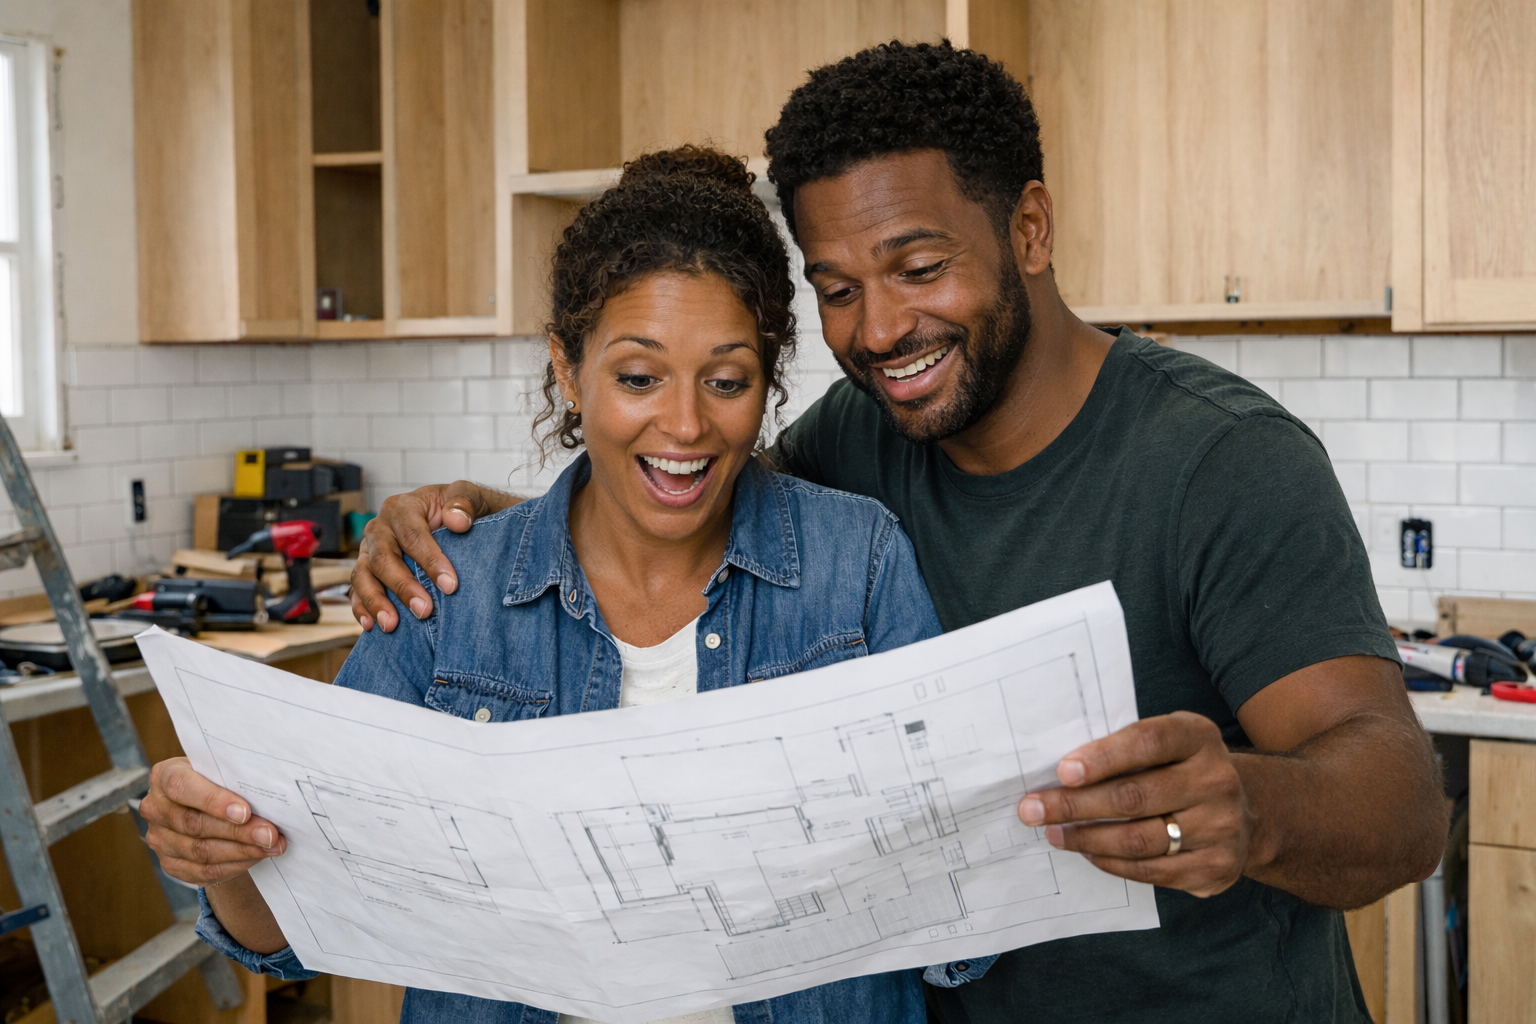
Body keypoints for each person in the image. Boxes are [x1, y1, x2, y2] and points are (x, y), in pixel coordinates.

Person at [352, 41, 1448, 1023]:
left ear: (1029, 228)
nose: (878, 330)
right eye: (837, 289)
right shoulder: (858, 439)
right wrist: (486, 532)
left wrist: (1249, 808)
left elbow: (1401, 803)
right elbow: (676, 494)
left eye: (919, 269)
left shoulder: (1220, 463)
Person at [140, 148, 949, 1024]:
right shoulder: (446, 593)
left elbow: (953, 897)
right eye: (638, 377)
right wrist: (226, 856)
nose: (684, 424)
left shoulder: (856, 564)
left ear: (768, 383)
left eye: (726, 381)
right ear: (568, 370)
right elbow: (299, 928)